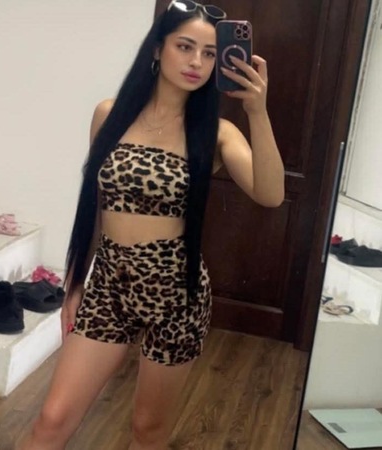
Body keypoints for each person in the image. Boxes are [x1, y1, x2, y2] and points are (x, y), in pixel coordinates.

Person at [20, 1, 284, 449]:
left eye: (208, 53)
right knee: (51, 419)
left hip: (176, 294)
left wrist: (257, 111)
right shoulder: (110, 114)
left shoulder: (216, 133)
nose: (197, 61)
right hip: (108, 286)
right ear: (158, 49)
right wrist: (75, 285)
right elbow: (94, 208)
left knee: (148, 431)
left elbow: (270, 193)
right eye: (185, 46)